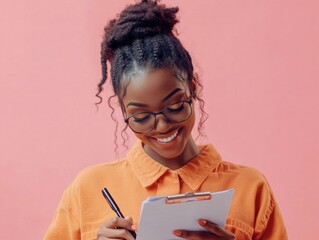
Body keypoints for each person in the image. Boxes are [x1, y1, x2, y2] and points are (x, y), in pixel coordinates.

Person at [44, 0, 288, 239]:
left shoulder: (250, 188)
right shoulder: (88, 189)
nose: (162, 126)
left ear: (192, 87)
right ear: (123, 111)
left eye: (175, 106)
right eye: (141, 116)